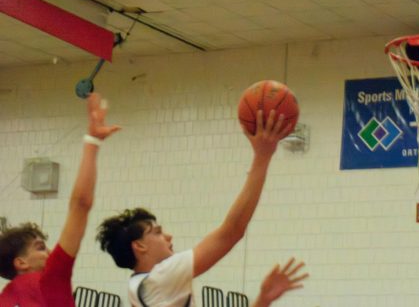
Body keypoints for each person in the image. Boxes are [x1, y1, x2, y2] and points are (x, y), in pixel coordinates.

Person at [96, 110, 291, 306]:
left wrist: (263, 299)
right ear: (139, 246)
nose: (169, 237)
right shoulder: (162, 276)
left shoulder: (139, 286)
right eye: (157, 233)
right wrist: (262, 156)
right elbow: (232, 232)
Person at [0, 93, 120, 307]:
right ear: (21, 262)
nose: (49, 252)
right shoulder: (50, 277)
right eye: (40, 247)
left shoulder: (5, 298)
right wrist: (92, 142)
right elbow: (81, 205)